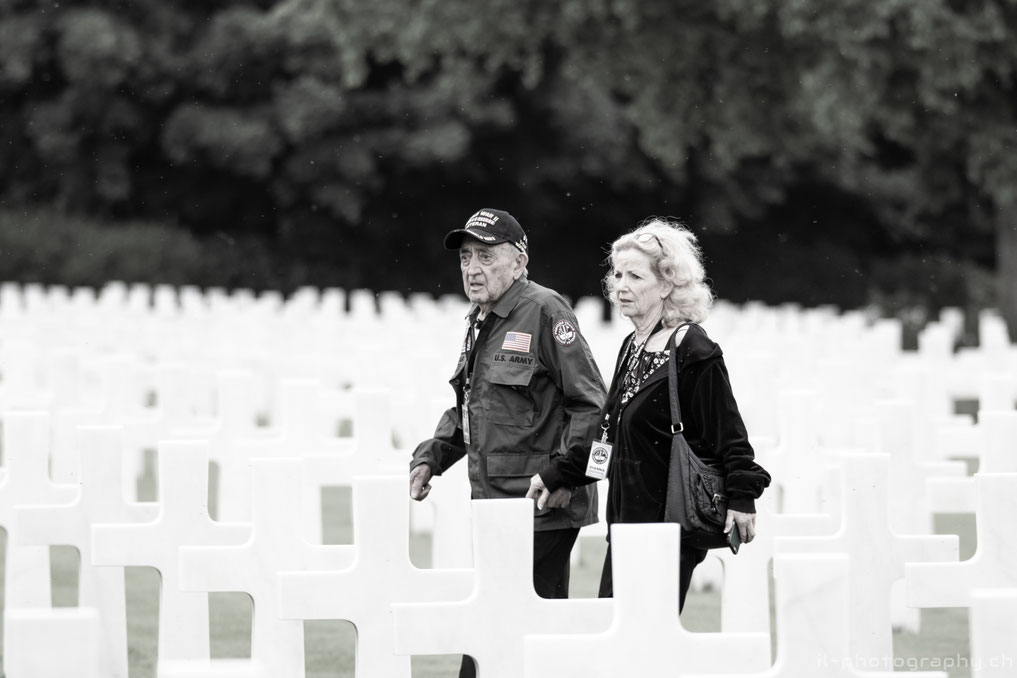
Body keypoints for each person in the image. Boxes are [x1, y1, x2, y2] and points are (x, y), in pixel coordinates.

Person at [526, 216, 770, 611]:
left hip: (669, 530)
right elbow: (608, 438)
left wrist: (742, 498)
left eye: (636, 277)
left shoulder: (694, 349)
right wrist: (560, 474)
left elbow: (730, 436)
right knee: (617, 642)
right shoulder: (632, 345)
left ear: (668, 284)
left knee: (641, 650)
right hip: (624, 526)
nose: (621, 286)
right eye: (617, 274)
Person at [409, 208, 605, 677]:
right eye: (466, 258)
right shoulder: (482, 318)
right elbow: (475, 407)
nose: (472, 269)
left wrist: (565, 475)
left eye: (486, 257)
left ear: (519, 260)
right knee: (521, 633)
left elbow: (592, 404)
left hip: (542, 504)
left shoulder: (545, 311)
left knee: (508, 631)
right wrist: (432, 456)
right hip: (496, 503)